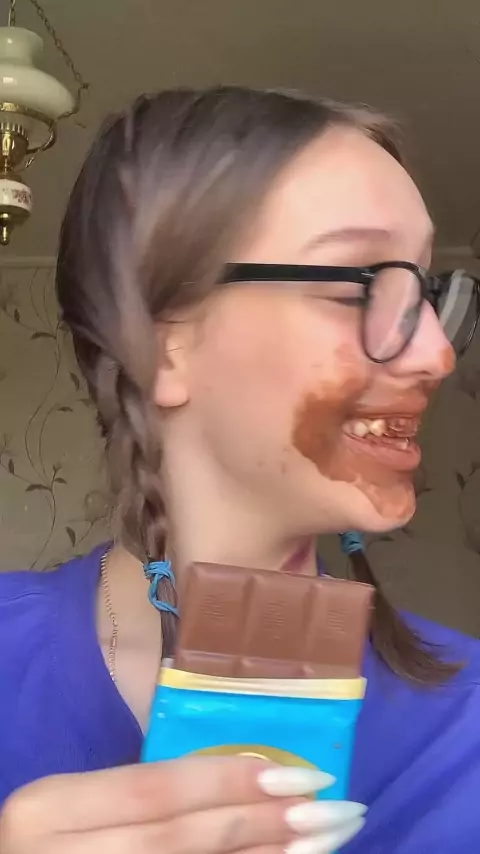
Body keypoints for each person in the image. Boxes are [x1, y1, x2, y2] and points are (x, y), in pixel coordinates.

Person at [0, 86, 479, 854]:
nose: (438, 354)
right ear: (160, 343)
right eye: (359, 281)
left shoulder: (468, 728)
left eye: (424, 290)